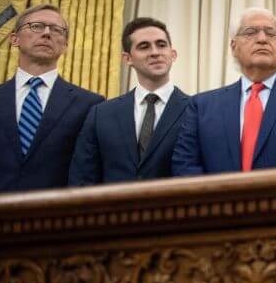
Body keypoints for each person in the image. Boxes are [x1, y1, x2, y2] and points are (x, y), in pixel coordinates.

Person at [172, 7, 276, 175]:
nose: (262, 39)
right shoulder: (201, 106)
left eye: (271, 33)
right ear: (234, 47)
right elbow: (185, 165)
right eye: (250, 32)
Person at [69, 17, 189, 185]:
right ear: (127, 59)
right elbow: (83, 178)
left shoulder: (195, 110)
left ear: (173, 54)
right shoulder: (101, 114)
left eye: (161, 45)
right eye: (144, 46)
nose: (155, 52)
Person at [0, 4, 103, 192]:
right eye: (36, 26)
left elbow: (88, 172)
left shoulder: (91, 105)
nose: (47, 33)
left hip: (54, 216)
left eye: (56, 30)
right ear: (15, 39)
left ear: (65, 45)